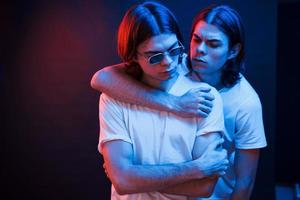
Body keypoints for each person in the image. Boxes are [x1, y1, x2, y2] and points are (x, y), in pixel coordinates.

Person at [91, 3, 267, 200]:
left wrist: (134, 180)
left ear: (233, 51)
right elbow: (100, 79)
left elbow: (243, 182)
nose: (200, 50)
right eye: (196, 39)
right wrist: (174, 103)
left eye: (213, 44)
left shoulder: (243, 102)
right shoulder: (177, 62)